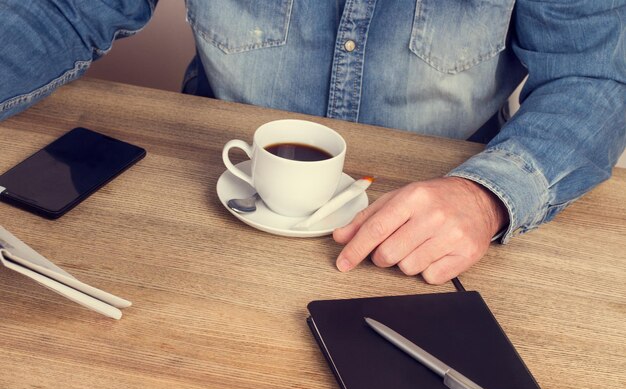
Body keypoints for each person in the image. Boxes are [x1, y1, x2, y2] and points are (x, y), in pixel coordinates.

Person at [1, 1, 625, 285]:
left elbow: (594, 76)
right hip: (202, 204)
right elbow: (58, 9)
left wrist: (486, 197)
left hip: (428, 224)